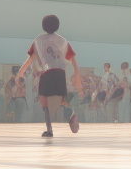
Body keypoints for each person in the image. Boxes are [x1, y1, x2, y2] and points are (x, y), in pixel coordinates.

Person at [16, 14, 82, 142]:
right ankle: (71, 114)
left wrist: (20, 72)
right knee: (61, 98)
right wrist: (75, 73)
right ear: (57, 25)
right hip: (60, 73)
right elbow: (72, 59)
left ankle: (49, 130)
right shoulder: (63, 41)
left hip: (47, 73)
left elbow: (31, 59)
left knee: (44, 99)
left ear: (43, 25)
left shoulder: (38, 40)